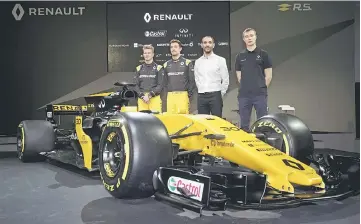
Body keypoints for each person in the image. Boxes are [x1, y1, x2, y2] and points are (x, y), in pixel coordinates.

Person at [235, 28, 273, 132]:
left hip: (259, 95)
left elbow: (269, 76)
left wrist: (260, 88)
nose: (249, 38)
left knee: (263, 123)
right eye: (247, 36)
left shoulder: (264, 54)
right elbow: (239, 76)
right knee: (244, 125)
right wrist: (246, 87)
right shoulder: (239, 56)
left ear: (255, 37)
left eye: (251, 35)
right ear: (244, 39)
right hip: (244, 95)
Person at [194, 36, 229, 117]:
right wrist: (201, 89)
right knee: (203, 123)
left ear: (213, 45)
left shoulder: (221, 60)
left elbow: (225, 79)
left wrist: (220, 94)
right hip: (201, 96)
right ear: (201, 45)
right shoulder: (198, 62)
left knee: (217, 122)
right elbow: (197, 78)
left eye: (210, 42)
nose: (207, 45)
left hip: (215, 95)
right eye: (205, 42)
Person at [163, 39, 196, 114]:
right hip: (170, 96)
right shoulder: (166, 64)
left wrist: (188, 94)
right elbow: (164, 82)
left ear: (180, 49)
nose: (173, 49)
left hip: (183, 95)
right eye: (171, 47)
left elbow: (192, 80)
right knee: (170, 120)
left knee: (183, 120)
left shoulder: (187, 62)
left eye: (175, 47)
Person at [133, 45, 165, 112]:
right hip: (142, 99)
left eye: (149, 53)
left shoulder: (159, 68)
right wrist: (142, 96)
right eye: (145, 53)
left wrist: (149, 95)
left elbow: (160, 85)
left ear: (153, 54)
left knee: (156, 120)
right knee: (142, 121)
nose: (147, 55)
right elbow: (135, 85)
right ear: (143, 54)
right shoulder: (138, 68)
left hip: (154, 99)